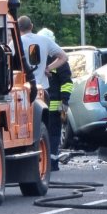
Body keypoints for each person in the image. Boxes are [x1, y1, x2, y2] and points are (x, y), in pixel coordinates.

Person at [36, 28, 73, 171]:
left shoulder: (37, 59)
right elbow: (68, 83)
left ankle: (48, 162)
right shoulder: (60, 61)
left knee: (47, 134)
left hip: (43, 106)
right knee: (53, 134)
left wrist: (63, 104)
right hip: (53, 106)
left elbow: (67, 84)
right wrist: (64, 104)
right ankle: (51, 163)